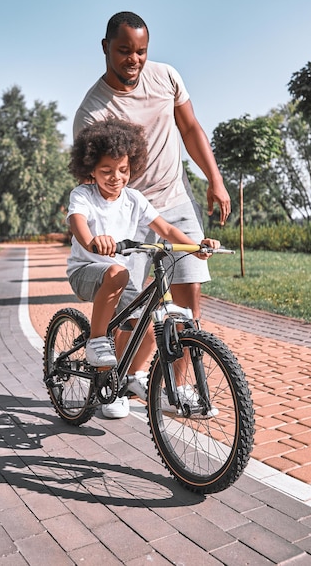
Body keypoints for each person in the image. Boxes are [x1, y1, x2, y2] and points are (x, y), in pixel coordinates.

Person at [66, 119, 220, 417]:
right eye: (106, 171)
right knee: (117, 272)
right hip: (87, 270)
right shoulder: (83, 195)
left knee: (147, 329)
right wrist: (92, 241)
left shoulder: (134, 198)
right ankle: (97, 343)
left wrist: (195, 246)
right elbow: (78, 224)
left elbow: (164, 228)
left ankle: (127, 380)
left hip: (118, 280)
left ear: (131, 166)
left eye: (123, 170)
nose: (115, 178)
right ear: (91, 171)